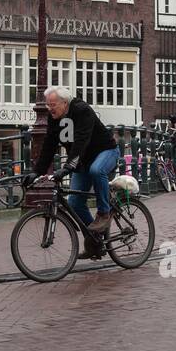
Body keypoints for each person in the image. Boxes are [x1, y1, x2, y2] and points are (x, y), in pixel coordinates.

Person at [31, 85, 120, 255]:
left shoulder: (81, 110)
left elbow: (81, 141)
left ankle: (104, 213)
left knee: (96, 170)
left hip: (105, 151)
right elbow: (49, 145)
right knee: (75, 204)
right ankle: (94, 241)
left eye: (53, 104)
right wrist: (37, 171)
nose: (49, 109)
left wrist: (68, 166)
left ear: (65, 103)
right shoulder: (54, 118)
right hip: (83, 160)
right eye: (48, 105)